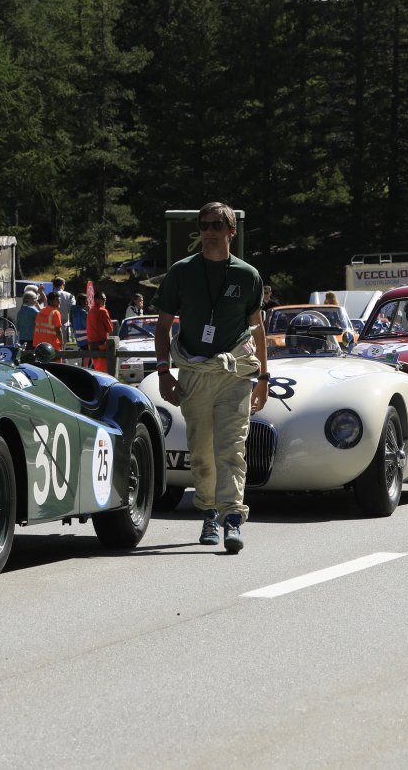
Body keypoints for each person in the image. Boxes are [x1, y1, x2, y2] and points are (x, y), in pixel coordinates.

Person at [154, 201, 267, 556]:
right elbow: (163, 326)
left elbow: (257, 329)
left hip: (234, 373)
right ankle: (208, 512)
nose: (208, 231)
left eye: (216, 225)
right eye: (203, 225)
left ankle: (232, 517)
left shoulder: (247, 275)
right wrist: (163, 373)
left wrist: (263, 377)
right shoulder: (181, 272)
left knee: (232, 447)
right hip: (194, 372)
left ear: (231, 230)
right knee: (202, 452)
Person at [86, 292, 114, 372]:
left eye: (105, 299)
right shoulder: (102, 311)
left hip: (91, 345)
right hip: (101, 345)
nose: (104, 300)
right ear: (96, 300)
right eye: (102, 299)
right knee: (104, 371)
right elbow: (110, 329)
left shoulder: (90, 311)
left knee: (98, 370)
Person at [52, 276, 76, 346]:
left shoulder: (49, 295)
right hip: (64, 325)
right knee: (63, 346)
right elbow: (73, 309)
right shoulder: (69, 295)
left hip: (50, 325)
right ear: (62, 285)